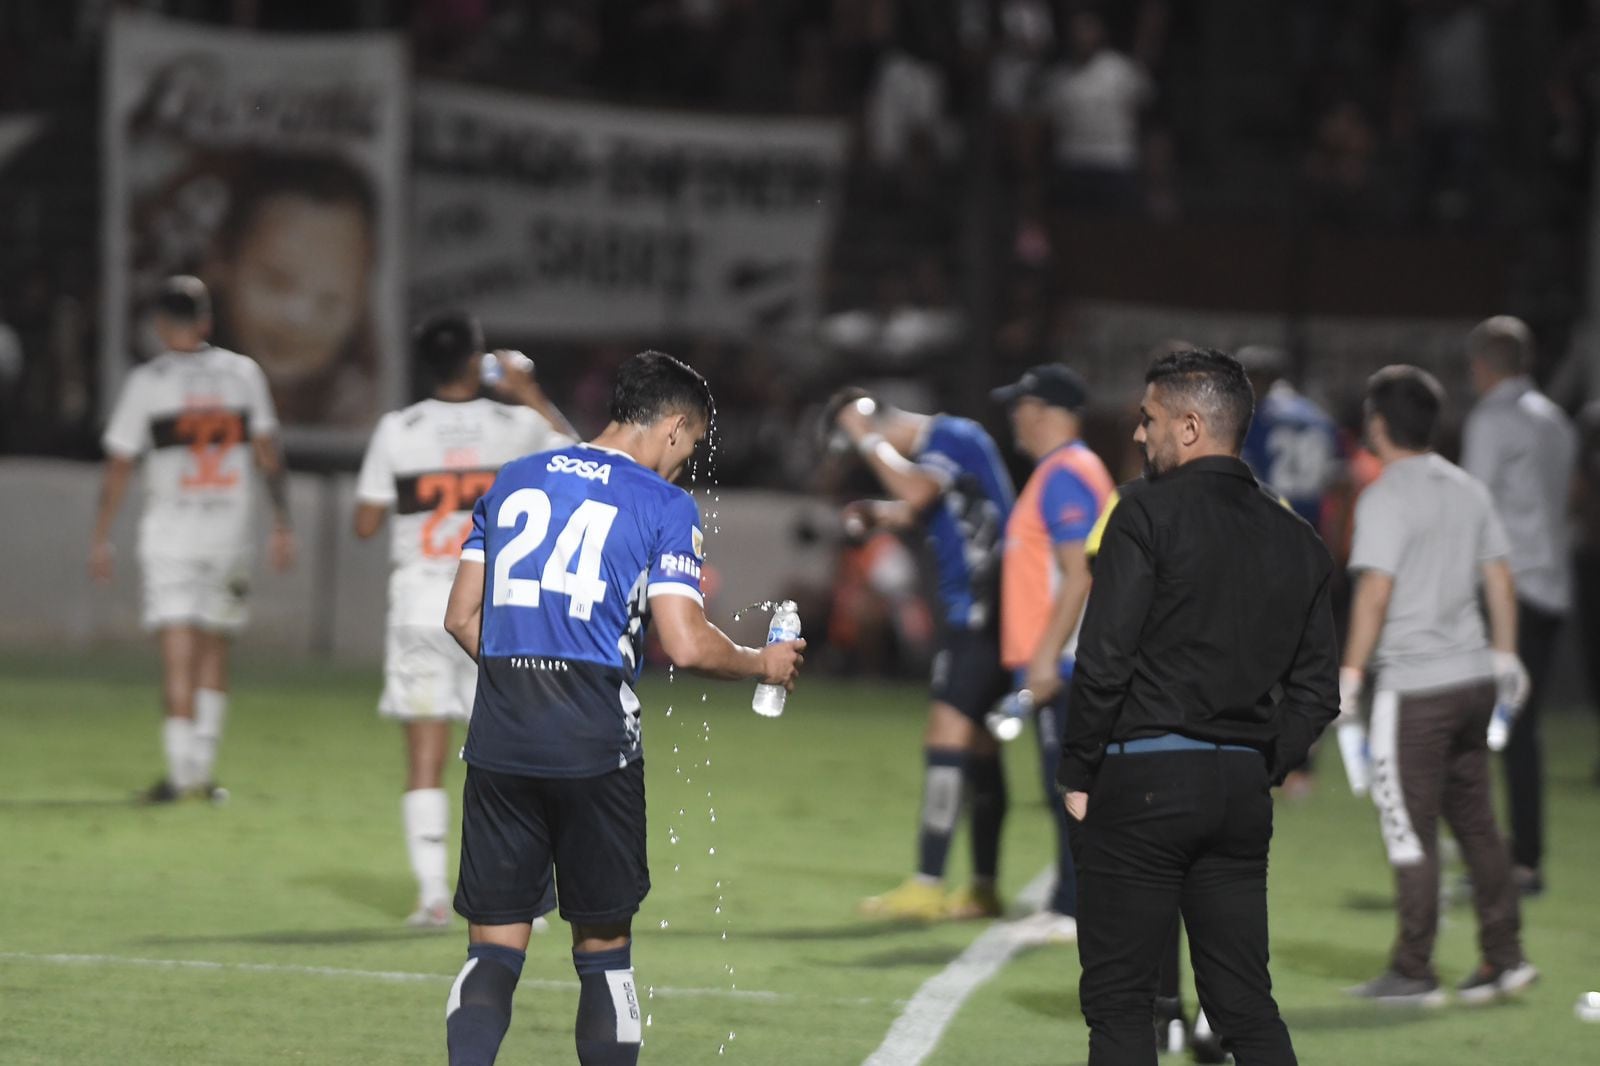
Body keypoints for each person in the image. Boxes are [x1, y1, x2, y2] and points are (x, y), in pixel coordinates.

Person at [440, 350, 805, 1066]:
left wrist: (529, 675)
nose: (686, 464)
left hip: (501, 740)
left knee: (492, 952)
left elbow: (460, 617)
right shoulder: (663, 504)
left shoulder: (514, 478)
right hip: (594, 745)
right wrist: (765, 662)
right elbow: (685, 642)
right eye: (692, 447)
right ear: (673, 427)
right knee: (604, 957)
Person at [1062, 349, 1338, 1064]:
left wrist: (1077, 773)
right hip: (1241, 793)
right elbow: (1317, 692)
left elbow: (1103, 660)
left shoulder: (1142, 513)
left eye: (1148, 419)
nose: (1137, 434)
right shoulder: (1299, 540)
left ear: (1189, 427)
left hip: (1143, 781)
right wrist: (1261, 761)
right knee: (1246, 1005)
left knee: (1121, 1005)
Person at [354, 311, 576, 928]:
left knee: (424, 755)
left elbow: (366, 523)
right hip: (498, 612)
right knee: (510, 757)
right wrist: (528, 390)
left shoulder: (400, 428)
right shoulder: (515, 424)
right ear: (477, 358)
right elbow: (585, 459)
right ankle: (520, 899)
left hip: (422, 608)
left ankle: (430, 896)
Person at [1341, 364, 1537, 1006]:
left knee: (1408, 827)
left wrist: (1349, 673)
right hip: (1474, 676)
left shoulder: (1385, 495)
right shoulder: (1466, 488)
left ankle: (1413, 967)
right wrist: (1506, 656)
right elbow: (1501, 578)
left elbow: (1375, 589)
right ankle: (1504, 957)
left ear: (1377, 423)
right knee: (1477, 821)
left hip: (1415, 687)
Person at [89, 275, 296, 802]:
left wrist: (100, 534)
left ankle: (180, 776)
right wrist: (282, 522)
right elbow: (268, 454)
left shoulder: (149, 381)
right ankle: (202, 775)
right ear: (206, 321)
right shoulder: (242, 374)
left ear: (161, 325)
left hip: (170, 537)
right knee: (215, 651)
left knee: (177, 654)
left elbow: (118, 464)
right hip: (228, 535)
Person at [825, 388, 1016, 921]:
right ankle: (982, 886)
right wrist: (884, 516)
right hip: (995, 605)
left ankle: (929, 882)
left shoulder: (948, 435)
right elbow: (942, 507)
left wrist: (865, 439)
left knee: (947, 731)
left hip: (981, 608)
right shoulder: (955, 445)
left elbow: (920, 489)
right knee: (978, 745)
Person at [992, 364, 1116, 944]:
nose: (1014, 417)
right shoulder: (1068, 471)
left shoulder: (1066, 474)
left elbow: (1077, 574)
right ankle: (1069, 899)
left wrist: (1044, 657)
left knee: (1071, 785)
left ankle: (1074, 906)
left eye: (1019, 406)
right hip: (1066, 657)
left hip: (1066, 660)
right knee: (1065, 784)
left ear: (1039, 410)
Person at [1460, 316, 1576, 896]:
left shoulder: (1493, 419)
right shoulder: (1555, 421)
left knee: (1483, 730)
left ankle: (1507, 863)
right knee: (1519, 730)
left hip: (1511, 592)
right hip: (1552, 584)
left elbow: (1472, 507)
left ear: (1483, 365)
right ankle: (1520, 857)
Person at [205, 151, 380, 428]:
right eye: (276, 283)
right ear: (220, 263)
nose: (298, 318)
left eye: (330, 300)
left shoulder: (363, 410)